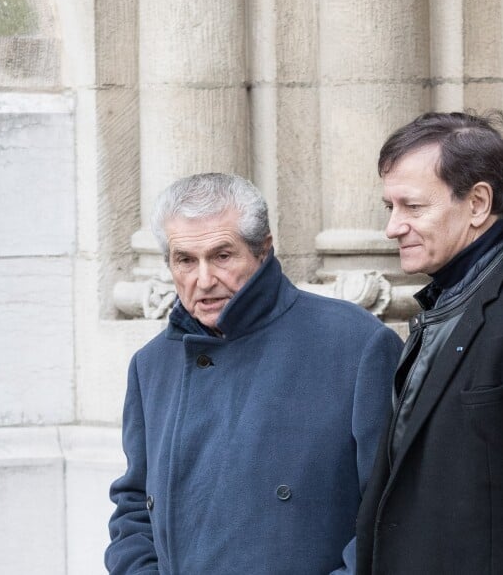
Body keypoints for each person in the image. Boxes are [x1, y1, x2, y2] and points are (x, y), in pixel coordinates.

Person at [104, 172, 403, 574]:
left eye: (222, 256)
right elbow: (135, 508)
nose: (204, 280)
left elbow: (395, 516)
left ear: (263, 251)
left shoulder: (355, 344)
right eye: (186, 260)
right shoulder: (151, 364)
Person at [356, 111, 503, 575]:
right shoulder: (448, 295)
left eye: (412, 207)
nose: (392, 227)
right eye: (390, 208)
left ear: (478, 203)